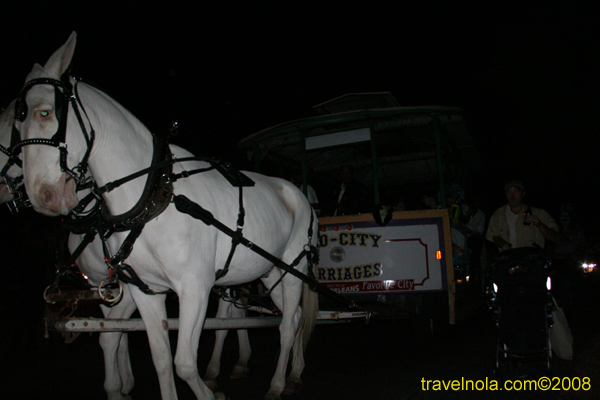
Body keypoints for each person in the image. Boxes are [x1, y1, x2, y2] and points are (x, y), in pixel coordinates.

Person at [486, 180, 558, 251]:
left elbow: (554, 238)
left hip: (532, 257)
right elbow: (494, 236)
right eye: (509, 192)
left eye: (516, 191)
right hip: (509, 257)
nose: (512, 195)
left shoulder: (539, 213)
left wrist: (540, 225)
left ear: (523, 194)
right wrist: (504, 245)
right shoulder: (499, 214)